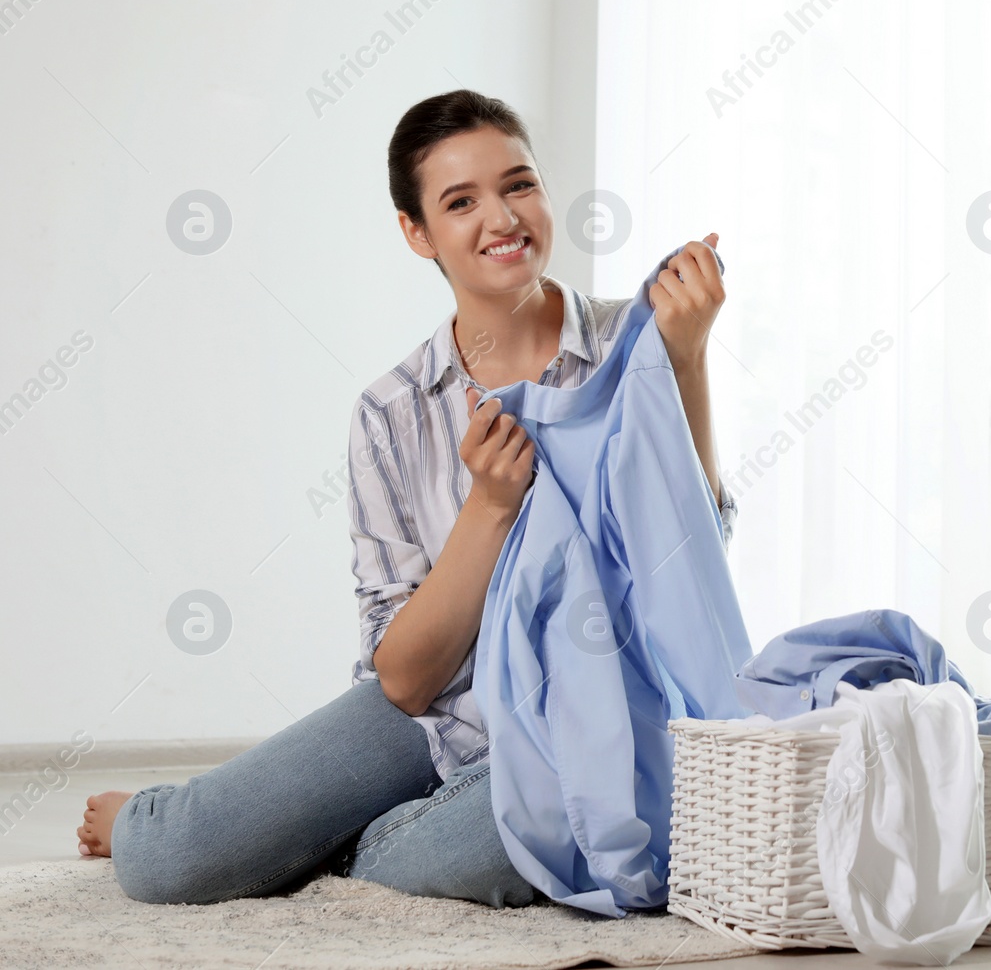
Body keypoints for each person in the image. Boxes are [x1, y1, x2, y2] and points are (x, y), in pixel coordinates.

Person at [73, 89, 736, 907]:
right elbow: (404, 678)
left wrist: (689, 360)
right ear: (416, 231)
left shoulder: (626, 347)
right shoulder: (392, 411)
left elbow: (691, 571)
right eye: (461, 202)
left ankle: (339, 851)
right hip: (431, 716)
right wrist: (488, 510)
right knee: (168, 864)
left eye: (518, 184)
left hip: (584, 728)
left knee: (566, 830)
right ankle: (166, 818)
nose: (502, 217)